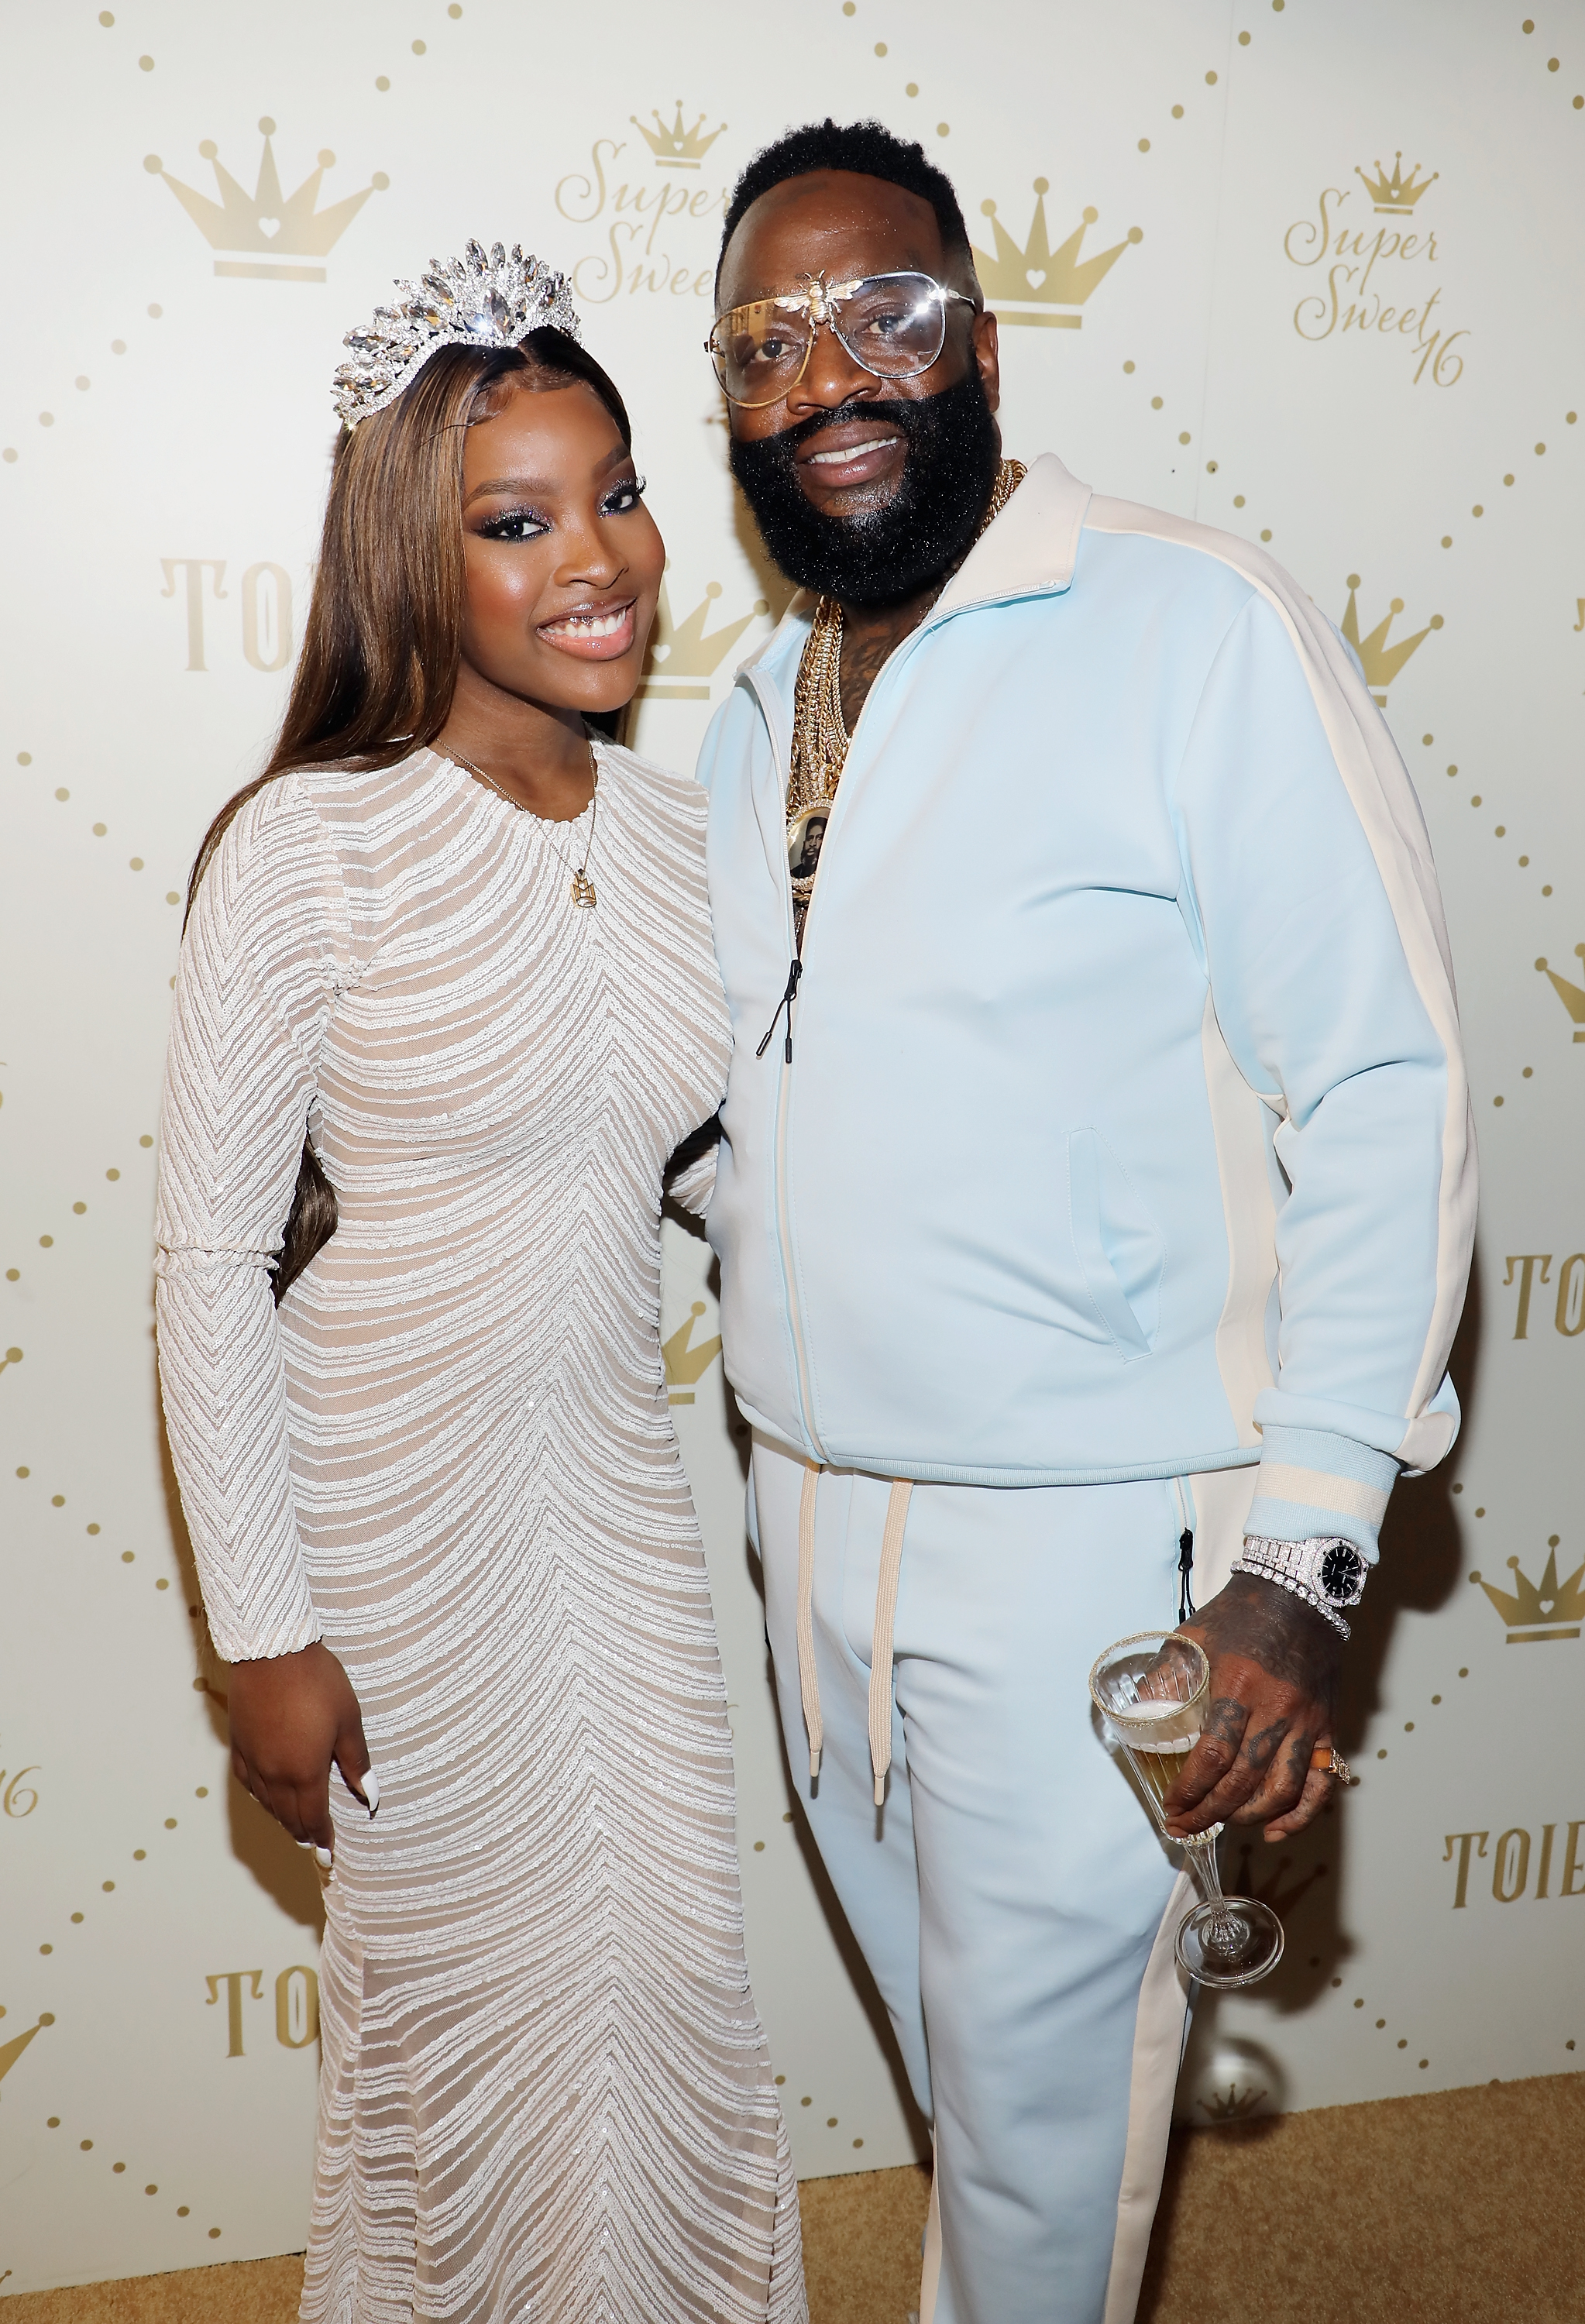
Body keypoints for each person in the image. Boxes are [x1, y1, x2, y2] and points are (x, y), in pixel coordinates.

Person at [689, 123, 1474, 2324]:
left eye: (887, 315)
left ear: (983, 345)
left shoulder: (1183, 620)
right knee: (989, 2108)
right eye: (768, 339)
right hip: (812, 1535)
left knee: (1035, 2186)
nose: (830, 369)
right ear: (731, 399)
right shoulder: (753, 719)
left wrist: (1308, 1560)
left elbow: (1386, 1083)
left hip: (1092, 1556)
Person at [155, 241, 804, 2324]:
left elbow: (733, 1170)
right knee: (464, 2025)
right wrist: (259, 1630)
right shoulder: (307, 849)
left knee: (666, 1982)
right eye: (514, 523)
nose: (596, 557)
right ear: (409, 563)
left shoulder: (695, 828)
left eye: (614, 492)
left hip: (612, 1517)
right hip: (389, 1534)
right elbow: (207, 1265)